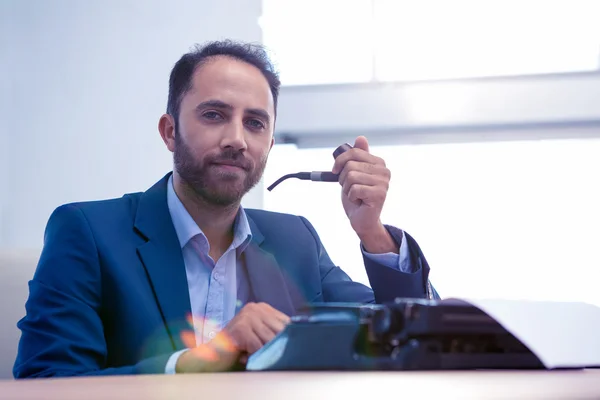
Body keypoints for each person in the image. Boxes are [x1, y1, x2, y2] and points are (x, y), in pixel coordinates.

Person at [13, 40, 439, 378]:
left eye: (255, 123)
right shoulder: (87, 232)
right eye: (215, 115)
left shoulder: (297, 241)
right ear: (169, 131)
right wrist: (194, 362)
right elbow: (48, 381)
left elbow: (409, 338)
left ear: (269, 144)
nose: (237, 138)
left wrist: (372, 232)